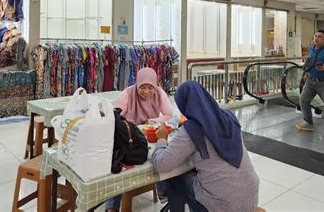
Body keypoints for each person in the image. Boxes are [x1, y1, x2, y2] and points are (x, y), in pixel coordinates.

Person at [151, 81, 259, 211]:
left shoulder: (192, 129)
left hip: (223, 205)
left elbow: (162, 164)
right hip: (250, 197)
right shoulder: (228, 117)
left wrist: (162, 139)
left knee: (175, 177)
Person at [106, 67, 174, 212]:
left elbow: (169, 114)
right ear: (137, 84)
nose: (147, 91)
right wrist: (129, 125)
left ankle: (163, 192)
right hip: (129, 138)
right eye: (142, 87)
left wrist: (151, 121)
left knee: (162, 156)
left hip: (149, 136)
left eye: (151, 88)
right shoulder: (128, 93)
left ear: (155, 86)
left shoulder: (159, 93)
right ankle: (112, 206)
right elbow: (115, 115)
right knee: (120, 163)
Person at [297, 30, 324, 135]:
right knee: (303, 100)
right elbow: (309, 63)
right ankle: (308, 123)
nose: (316, 38)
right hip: (310, 81)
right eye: (315, 36)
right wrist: (306, 74)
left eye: (319, 37)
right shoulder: (311, 49)